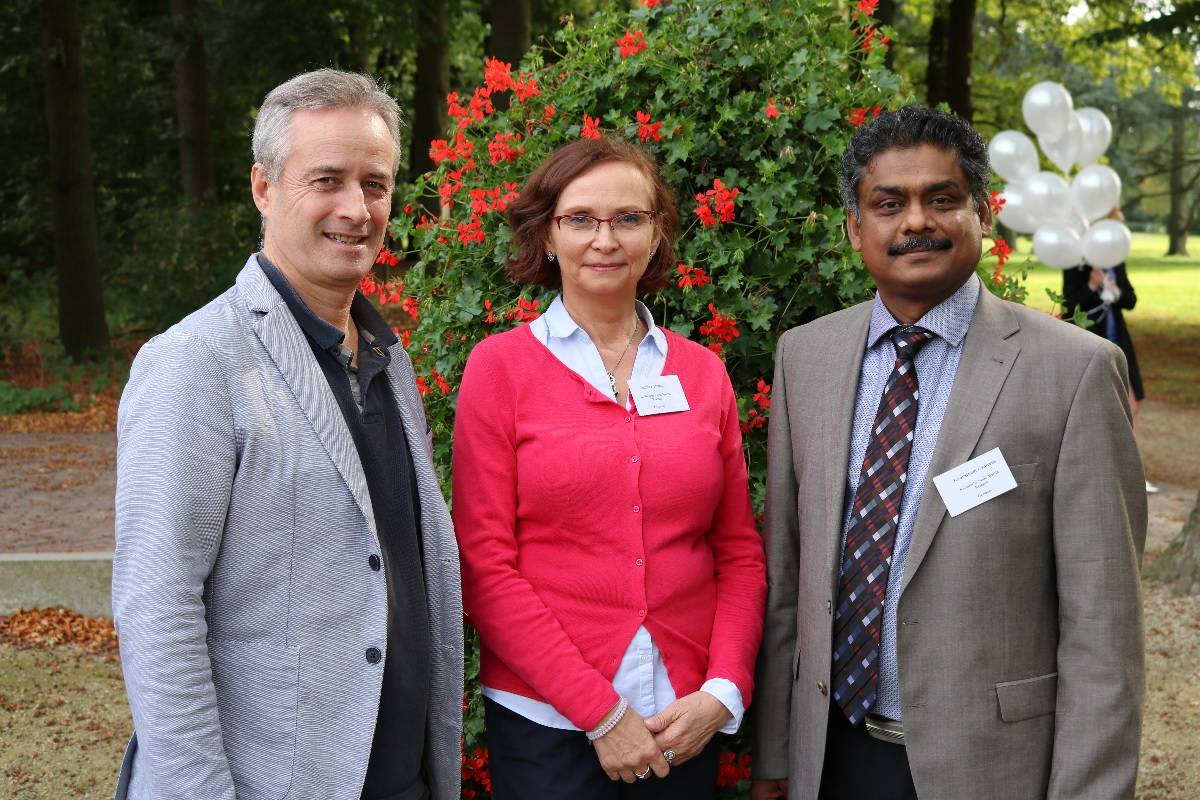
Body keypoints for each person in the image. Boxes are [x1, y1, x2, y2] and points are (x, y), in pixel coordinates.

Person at [751, 106, 1146, 800]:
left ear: (983, 215)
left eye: (942, 199)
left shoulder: (1074, 372)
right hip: (830, 758)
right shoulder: (806, 358)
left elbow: (1104, 626)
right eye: (888, 204)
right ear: (854, 228)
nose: (916, 222)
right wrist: (778, 758)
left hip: (990, 768)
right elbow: (787, 579)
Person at [112, 69, 463, 800]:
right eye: (327, 180)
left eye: (375, 184)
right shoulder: (196, 362)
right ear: (263, 187)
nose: (356, 209)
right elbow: (157, 609)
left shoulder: (388, 360)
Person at [451, 137, 767, 799]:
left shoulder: (702, 374)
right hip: (547, 725)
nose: (605, 239)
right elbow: (484, 564)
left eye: (629, 218)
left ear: (656, 234)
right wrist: (600, 712)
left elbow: (737, 550)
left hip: (684, 721)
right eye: (580, 219)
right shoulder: (500, 370)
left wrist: (723, 689)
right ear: (547, 235)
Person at [1061, 209, 1155, 493]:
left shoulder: (1116, 260)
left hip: (1118, 336)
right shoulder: (1077, 261)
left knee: (1133, 401)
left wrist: (1115, 291)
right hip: (1090, 339)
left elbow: (1131, 299)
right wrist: (1092, 285)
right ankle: (1107, 474)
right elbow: (1070, 306)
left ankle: (1132, 473)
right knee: (1099, 408)